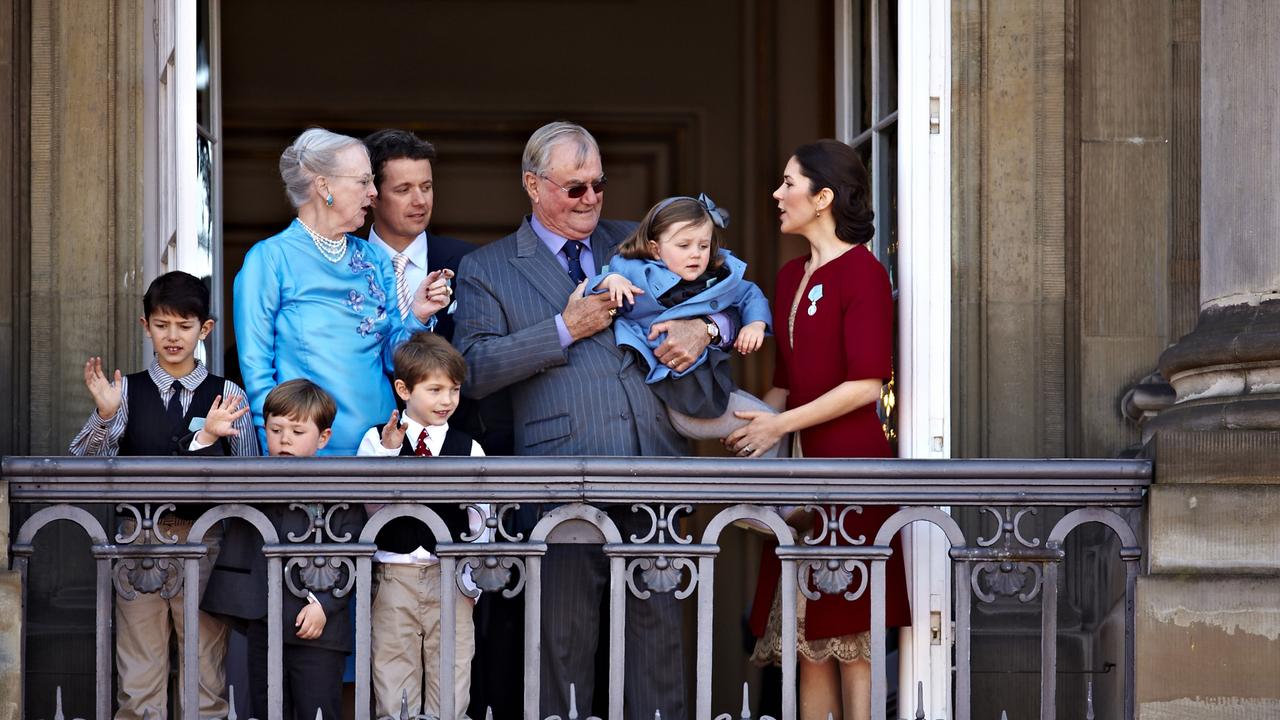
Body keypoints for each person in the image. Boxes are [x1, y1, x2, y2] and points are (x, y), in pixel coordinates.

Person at [453, 121, 731, 720]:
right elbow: (471, 369)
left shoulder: (639, 242)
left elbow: (725, 293)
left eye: (598, 186)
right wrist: (564, 328)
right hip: (558, 479)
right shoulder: (489, 267)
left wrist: (705, 328)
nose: (590, 199)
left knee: (658, 646)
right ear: (533, 185)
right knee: (562, 646)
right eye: (573, 188)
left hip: (654, 465)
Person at [725, 140, 911, 720]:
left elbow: (865, 384)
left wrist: (778, 423)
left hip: (851, 471)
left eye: (789, 184)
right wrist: (750, 432)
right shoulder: (788, 276)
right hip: (799, 478)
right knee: (808, 643)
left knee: (850, 641)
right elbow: (784, 380)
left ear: (823, 197)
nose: (778, 195)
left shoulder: (865, 273)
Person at [69, 270, 256, 720]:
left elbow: (251, 480)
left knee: (206, 683)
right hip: (138, 545)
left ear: (205, 329)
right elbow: (83, 462)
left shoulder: (226, 394)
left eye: (184, 325)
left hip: (206, 546)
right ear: (145, 325)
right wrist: (105, 415)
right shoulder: (124, 391)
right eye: (162, 324)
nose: (173, 336)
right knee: (137, 685)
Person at [234, 128, 454, 456]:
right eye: (363, 181)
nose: (374, 193)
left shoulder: (374, 258)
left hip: (380, 446)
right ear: (325, 187)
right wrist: (278, 452)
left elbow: (394, 359)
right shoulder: (269, 259)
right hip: (310, 451)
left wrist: (418, 314)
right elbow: (256, 371)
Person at [197, 379, 366, 720]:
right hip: (264, 620)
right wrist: (208, 439)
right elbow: (210, 486)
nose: (285, 438)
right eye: (275, 429)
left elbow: (353, 555)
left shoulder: (340, 486)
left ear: (323, 438)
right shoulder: (254, 477)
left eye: (297, 431)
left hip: (320, 627)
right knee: (268, 708)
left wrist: (325, 605)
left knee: (318, 710)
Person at [356, 332, 486, 719]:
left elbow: (481, 516)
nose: (446, 400)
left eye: (454, 390)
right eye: (435, 389)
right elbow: (371, 508)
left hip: (450, 578)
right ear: (403, 388)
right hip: (394, 576)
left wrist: (472, 578)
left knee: (453, 675)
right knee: (394, 677)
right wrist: (391, 452)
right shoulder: (377, 439)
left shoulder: (469, 447)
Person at [362, 128, 514, 456]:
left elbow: (490, 357)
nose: (420, 200)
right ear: (371, 194)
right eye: (403, 189)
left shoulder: (470, 262)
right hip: (365, 443)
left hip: (460, 448)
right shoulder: (344, 266)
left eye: (426, 187)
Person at [587, 192, 772, 425]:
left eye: (704, 245)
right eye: (684, 245)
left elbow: (750, 294)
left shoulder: (717, 276)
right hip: (642, 374)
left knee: (764, 423)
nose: (695, 253)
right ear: (655, 249)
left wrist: (756, 324)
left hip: (697, 382)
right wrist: (610, 280)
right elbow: (589, 289)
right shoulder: (634, 270)